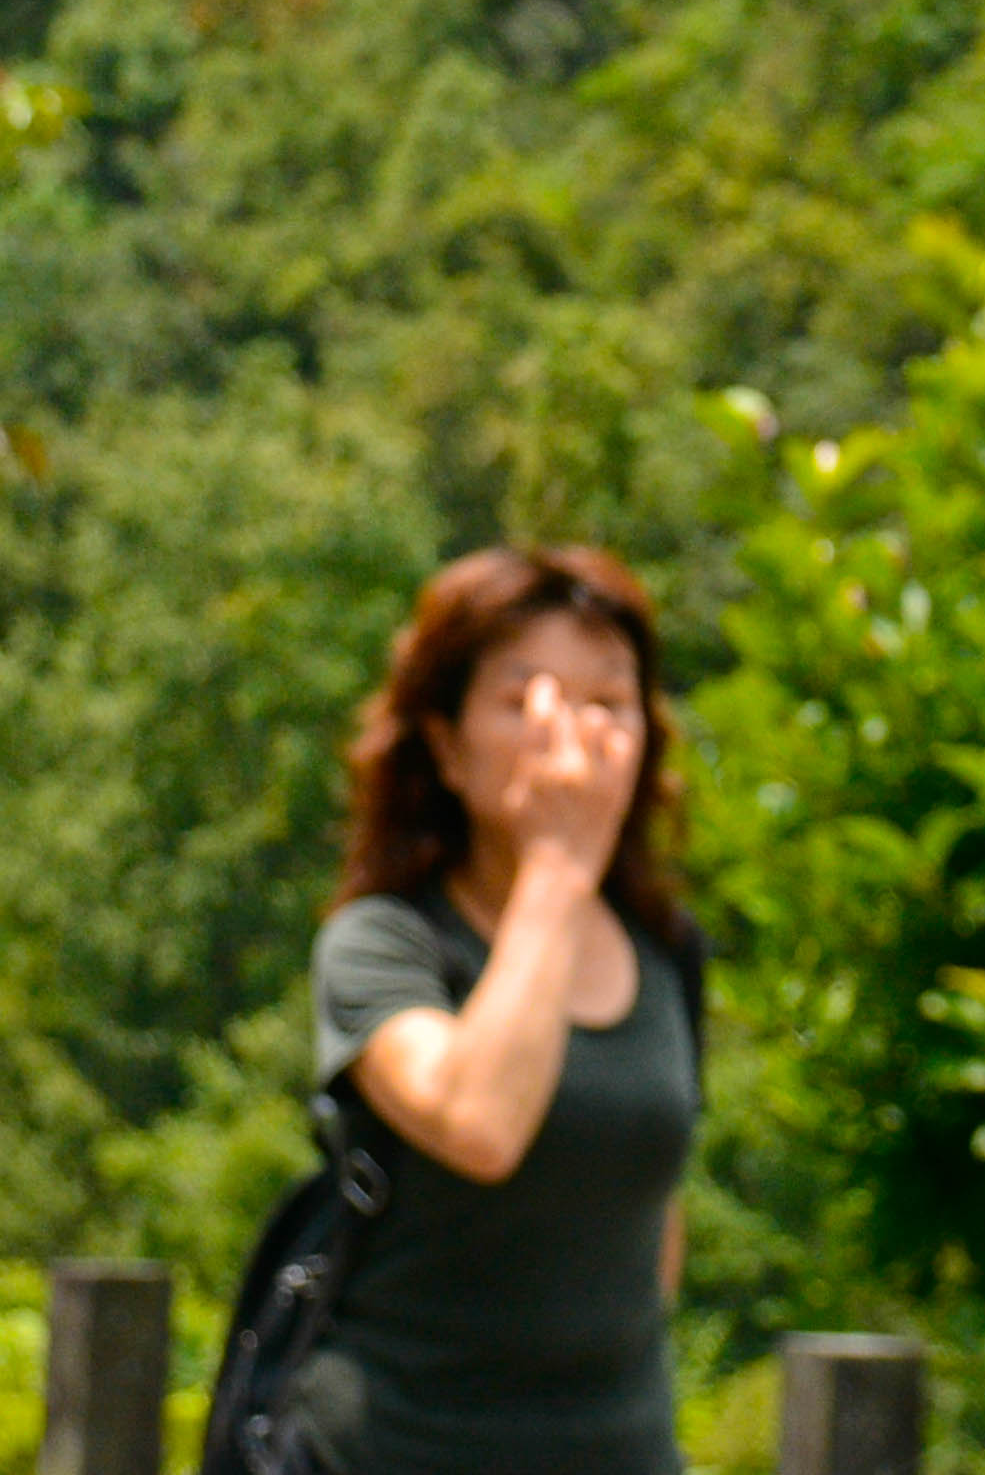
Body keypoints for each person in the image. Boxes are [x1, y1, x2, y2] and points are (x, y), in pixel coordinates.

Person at [291, 548, 706, 1475]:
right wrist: (560, 867)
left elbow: (653, 1221)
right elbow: (479, 1123)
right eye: (525, 703)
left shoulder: (666, 954)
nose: (572, 738)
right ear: (443, 745)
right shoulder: (383, 944)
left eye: (608, 702)